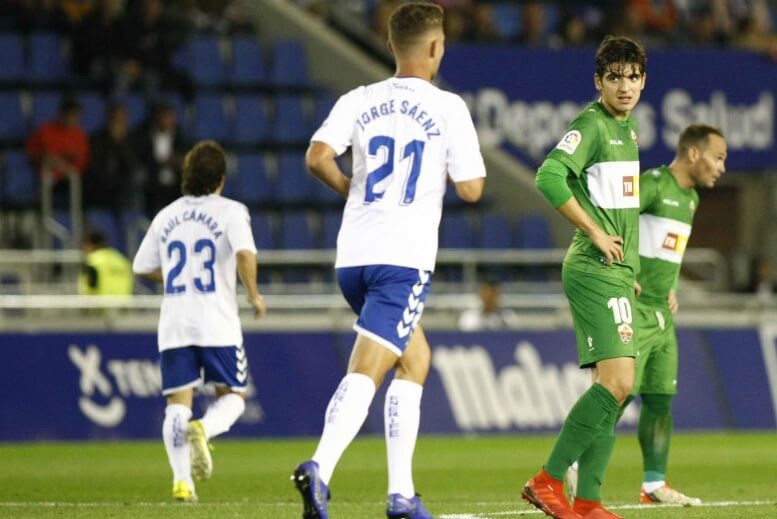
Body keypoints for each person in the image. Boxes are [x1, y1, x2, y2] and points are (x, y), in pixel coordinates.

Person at [292, 3, 486, 518]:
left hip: (353, 255)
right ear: (436, 47)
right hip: (402, 259)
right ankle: (320, 467)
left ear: (390, 45)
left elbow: (316, 156)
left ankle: (402, 495)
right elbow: (471, 188)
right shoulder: (448, 107)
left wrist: (353, 191)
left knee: (415, 359)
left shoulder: (359, 98)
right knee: (368, 368)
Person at [524, 35, 647, 519]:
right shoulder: (592, 125)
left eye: (633, 76)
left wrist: (630, 268)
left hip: (616, 272)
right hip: (592, 268)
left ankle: (590, 500)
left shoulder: (629, 129)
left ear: (643, 81)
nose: (625, 86)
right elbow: (548, 176)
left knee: (616, 389)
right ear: (598, 81)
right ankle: (547, 480)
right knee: (619, 382)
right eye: (614, 76)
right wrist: (596, 234)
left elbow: (621, 208)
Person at [132, 140, 266, 502]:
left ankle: (181, 483)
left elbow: (141, 267)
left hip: (175, 322)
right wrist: (253, 293)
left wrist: (179, 275)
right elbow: (244, 253)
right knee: (234, 397)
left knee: (176, 404)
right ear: (220, 179)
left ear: (186, 176)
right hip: (216, 321)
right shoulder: (232, 211)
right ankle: (204, 430)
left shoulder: (166, 215)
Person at [604, 124, 725, 506]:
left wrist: (670, 285)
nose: (721, 167)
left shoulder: (691, 199)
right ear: (693, 154)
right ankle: (572, 465)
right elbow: (614, 216)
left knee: (659, 400)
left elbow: (662, 246)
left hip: (662, 312)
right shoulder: (655, 183)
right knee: (615, 395)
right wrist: (626, 270)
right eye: (718, 158)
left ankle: (654, 484)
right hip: (634, 310)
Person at [25, 96, 90, 208]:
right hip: (47, 178)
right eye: (70, 115)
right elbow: (32, 151)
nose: (72, 119)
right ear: (61, 113)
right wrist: (46, 159)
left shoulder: (80, 136)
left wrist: (67, 167)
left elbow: (82, 162)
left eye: (75, 116)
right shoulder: (45, 131)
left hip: (70, 180)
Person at [78, 228, 133, 296]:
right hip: (124, 305)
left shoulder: (92, 261)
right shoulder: (121, 260)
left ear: (88, 243)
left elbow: (88, 289)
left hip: (99, 305)